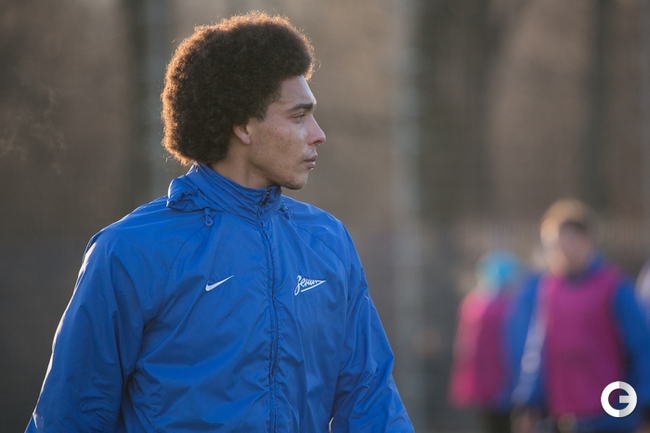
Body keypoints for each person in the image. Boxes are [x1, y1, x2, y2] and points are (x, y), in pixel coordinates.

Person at [25, 12, 413, 433]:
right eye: (299, 116)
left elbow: (372, 401)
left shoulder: (328, 241)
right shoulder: (129, 251)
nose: (318, 134)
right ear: (243, 126)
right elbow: (70, 417)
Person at [510, 199, 650, 433]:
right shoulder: (548, 290)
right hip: (567, 416)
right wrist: (530, 402)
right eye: (553, 245)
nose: (560, 251)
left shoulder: (614, 287)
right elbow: (538, 349)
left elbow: (641, 348)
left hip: (612, 416)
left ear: (587, 240)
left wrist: (645, 404)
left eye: (568, 242)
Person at [449, 250, 522, 433]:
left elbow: (462, 347)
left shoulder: (472, 303)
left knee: (491, 423)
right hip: (502, 380)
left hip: (484, 381)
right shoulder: (511, 304)